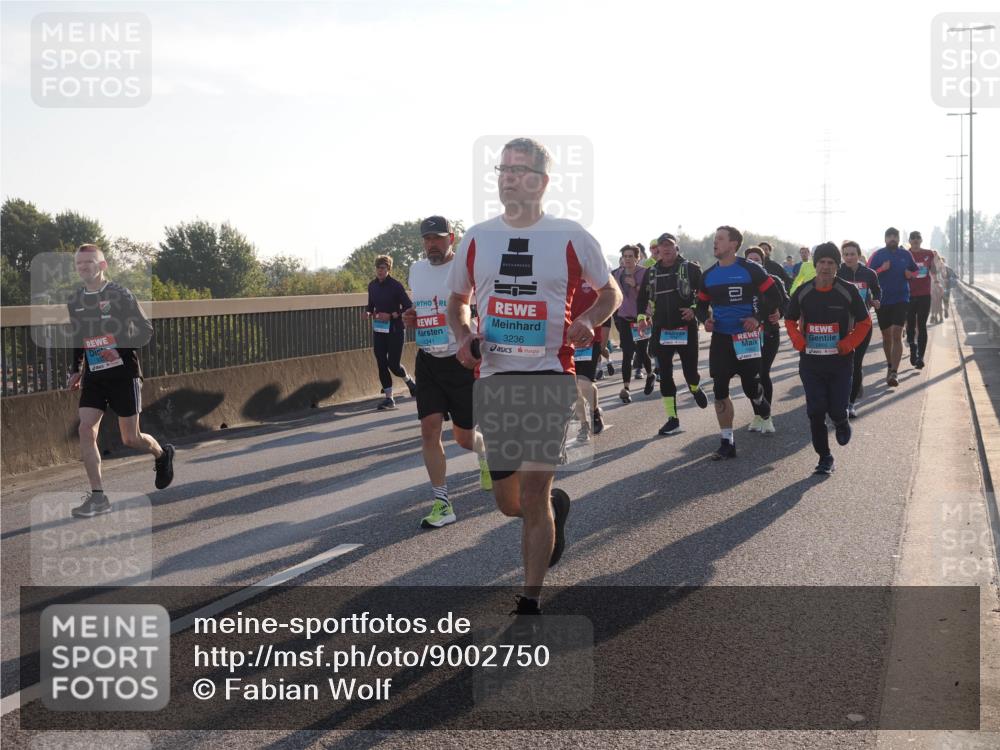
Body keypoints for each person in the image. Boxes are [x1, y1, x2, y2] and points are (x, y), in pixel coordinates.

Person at [447, 137, 621, 615]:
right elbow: (457, 300)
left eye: (520, 169)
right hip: (494, 378)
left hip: (549, 375)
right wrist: (464, 337)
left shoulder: (569, 235)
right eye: (503, 169)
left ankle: (530, 598)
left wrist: (588, 321)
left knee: (534, 488)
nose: (508, 177)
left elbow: (611, 292)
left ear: (542, 182)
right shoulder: (477, 237)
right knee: (508, 502)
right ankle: (551, 515)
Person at [66, 244, 174, 518]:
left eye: (89, 262)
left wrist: (116, 344)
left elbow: (145, 331)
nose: (83, 268)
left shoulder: (120, 294)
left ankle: (162, 455)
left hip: (123, 375)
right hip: (95, 377)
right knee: (85, 429)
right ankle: (98, 497)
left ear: (102, 265)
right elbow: (79, 337)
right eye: (79, 264)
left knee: (131, 438)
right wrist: (76, 368)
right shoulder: (75, 299)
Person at [403, 216, 492, 528]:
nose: (432, 245)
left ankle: (484, 452)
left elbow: (482, 308)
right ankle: (442, 503)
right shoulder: (416, 269)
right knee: (429, 429)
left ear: (451, 238)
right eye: (427, 239)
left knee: (465, 438)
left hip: (459, 360)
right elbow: (422, 308)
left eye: (438, 238)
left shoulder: (466, 268)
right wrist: (411, 318)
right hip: (428, 359)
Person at [785, 242, 872, 475]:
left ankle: (841, 421)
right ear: (815, 265)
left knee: (835, 410)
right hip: (811, 363)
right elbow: (789, 320)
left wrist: (848, 343)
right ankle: (825, 457)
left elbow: (865, 322)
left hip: (840, 363)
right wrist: (798, 341)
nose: (826, 267)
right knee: (815, 411)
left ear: (837, 266)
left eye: (831, 263)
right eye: (822, 262)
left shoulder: (847, 290)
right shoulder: (803, 291)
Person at [696, 226, 782, 459]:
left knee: (750, 387)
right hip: (722, 337)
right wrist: (705, 320)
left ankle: (760, 404)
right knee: (720, 388)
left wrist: (757, 317)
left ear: (734, 244)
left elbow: (776, 296)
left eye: (720, 239)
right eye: (714, 239)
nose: (715, 243)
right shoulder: (709, 275)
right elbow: (701, 306)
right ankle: (727, 441)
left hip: (747, 337)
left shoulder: (751, 270)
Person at [636, 232, 709, 434]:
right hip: (662, 330)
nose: (666, 248)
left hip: (686, 328)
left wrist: (694, 309)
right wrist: (642, 318)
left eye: (670, 245)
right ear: (658, 249)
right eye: (662, 245)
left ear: (677, 248)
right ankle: (672, 418)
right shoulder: (651, 273)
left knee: (690, 372)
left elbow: (704, 295)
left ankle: (694, 387)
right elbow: (641, 300)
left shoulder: (691, 269)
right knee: (665, 375)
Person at [744, 246, 788, 434]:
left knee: (763, 372)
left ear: (763, 262)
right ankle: (757, 414)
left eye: (757, 259)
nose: (753, 262)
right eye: (750, 259)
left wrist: (780, 313)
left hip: (769, 333)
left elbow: (786, 302)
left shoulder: (773, 280)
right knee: (750, 376)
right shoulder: (739, 282)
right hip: (747, 335)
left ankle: (766, 417)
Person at [867, 227, 917, 387]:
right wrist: (882, 269)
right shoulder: (878, 254)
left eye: (895, 236)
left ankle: (895, 372)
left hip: (901, 298)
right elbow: (867, 273)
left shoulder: (905, 254)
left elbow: (916, 271)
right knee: (887, 337)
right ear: (885, 239)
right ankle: (889, 365)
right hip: (882, 301)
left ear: (898, 238)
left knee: (896, 333)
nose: (892, 239)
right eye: (889, 236)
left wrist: (911, 275)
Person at [837, 240, 882, 417]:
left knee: (855, 363)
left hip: (862, 323)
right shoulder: (837, 272)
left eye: (852, 254)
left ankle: (850, 403)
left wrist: (876, 300)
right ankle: (840, 397)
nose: (849, 257)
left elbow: (877, 291)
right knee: (842, 363)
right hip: (840, 324)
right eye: (845, 254)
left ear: (858, 254)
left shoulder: (869, 273)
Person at [366, 255, 416, 410]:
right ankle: (389, 399)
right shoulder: (372, 286)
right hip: (380, 329)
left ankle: (409, 382)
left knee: (393, 365)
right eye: (378, 268)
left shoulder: (395, 286)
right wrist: (367, 313)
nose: (380, 271)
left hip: (395, 329)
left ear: (388, 269)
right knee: (381, 361)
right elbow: (371, 305)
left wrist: (393, 314)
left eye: (383, 268)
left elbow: (408, 306)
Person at [610, 244, 652, 404]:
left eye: (630, 256)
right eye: (625, 256)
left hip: (641, 319)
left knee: (641, 352)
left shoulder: (644, 272)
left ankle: (650, 375)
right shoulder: (616, 274)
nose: (627, 259)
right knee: (627, 353)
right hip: (624, 319)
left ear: (637, 257)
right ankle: (626, 388)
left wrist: (635, 285)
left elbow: (650, 292)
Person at [569, 276, 606, 440]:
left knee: (584, 382)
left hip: (591, 339)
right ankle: (584, 426)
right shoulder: (564, 277)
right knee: (573, 387)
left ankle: (594, 411)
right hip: (569, 340)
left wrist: (604, 343)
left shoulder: (596, 279)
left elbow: (607, 309)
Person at [904, 231, 936, 369]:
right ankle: (913, 348)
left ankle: (920, 357)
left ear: (921, 240)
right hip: (909, 295)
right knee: (910, 325)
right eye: (913, 238)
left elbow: (933, 270)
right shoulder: (905, 255)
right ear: (909, 240)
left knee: (922, 325)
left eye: (918, 237)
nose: (916, 240)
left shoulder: (929, 254)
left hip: (924, 295)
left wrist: (938, 279)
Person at [930, 251, 944, 325]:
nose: (934, 256)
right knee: (934, 302)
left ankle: (940, 317)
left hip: (939, 284)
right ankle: (935, 316)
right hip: (931, 285)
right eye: (933, 255)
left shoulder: (940, 264)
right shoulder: (930, 264)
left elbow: (944, 274)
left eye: (935, 255)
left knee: (938, 302)